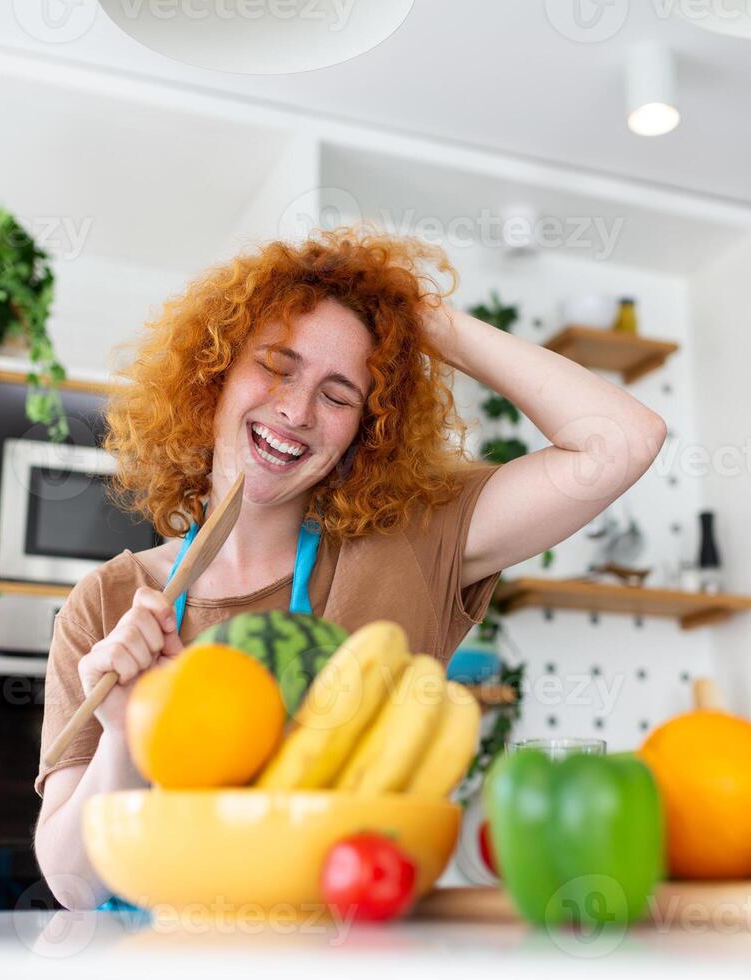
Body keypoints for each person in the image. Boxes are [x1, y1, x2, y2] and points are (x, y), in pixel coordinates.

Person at [34, 227, 666, 909]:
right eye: (277, 365)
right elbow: (72, 887)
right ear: (213, 372)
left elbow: (623, 442)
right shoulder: (108, 602)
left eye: (339, 395)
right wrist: (127, 735)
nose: (297, 411)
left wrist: (420, 319)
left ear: (367, 428)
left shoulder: (412, 542)